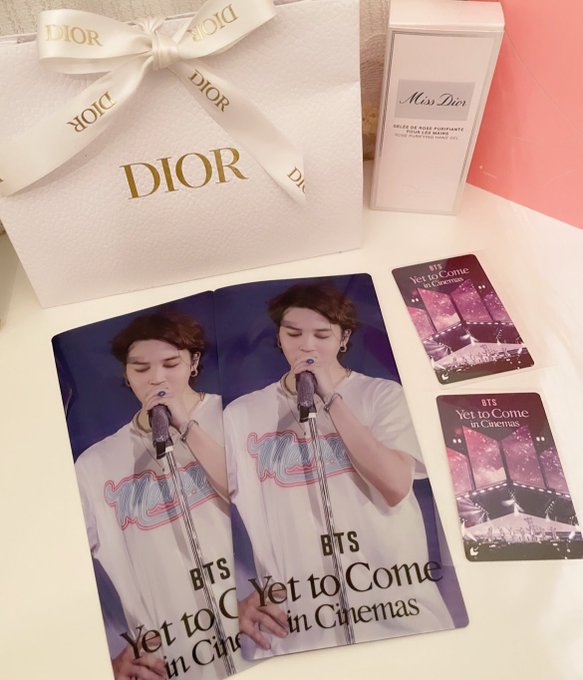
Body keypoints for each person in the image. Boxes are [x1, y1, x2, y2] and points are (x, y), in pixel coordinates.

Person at [223, 283, 454, 658]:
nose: (306, 346)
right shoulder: (242, 415)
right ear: (279, 337)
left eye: (322, 335)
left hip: (397, 617)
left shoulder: (382, 396)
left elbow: (395, 485)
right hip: (300, 634)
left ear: (344, 338)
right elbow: (201, 518)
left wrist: (331, 398)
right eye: (293, 333)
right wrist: (227, 601)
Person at [74, 310, 241, 680]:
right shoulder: (95, 464)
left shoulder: (235, 414)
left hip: (257, 626)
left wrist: (185, 424)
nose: (156, 378)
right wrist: (108, 655)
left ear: (194, 361)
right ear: (126, 373)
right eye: (140, 368)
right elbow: (67, 572)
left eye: (170, 364)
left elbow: (245, 493)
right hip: (175, 655)